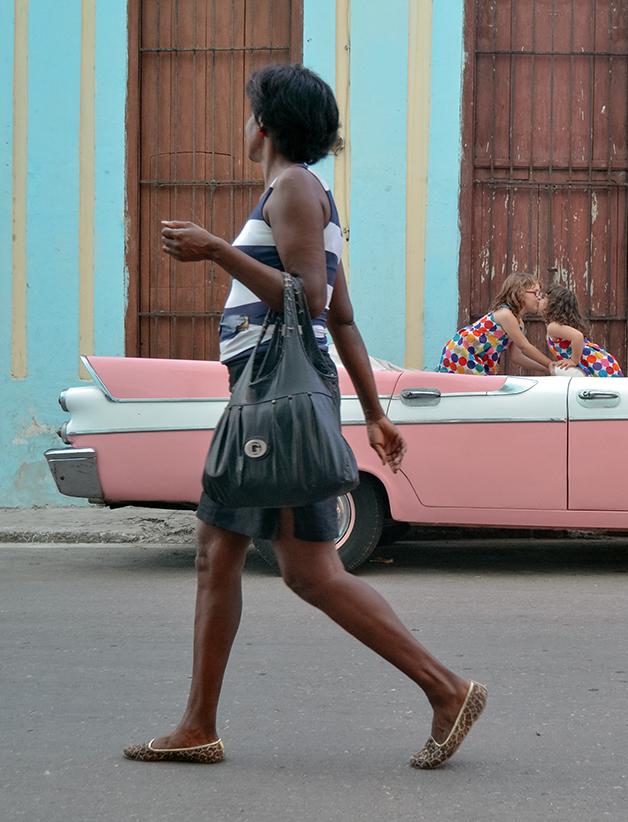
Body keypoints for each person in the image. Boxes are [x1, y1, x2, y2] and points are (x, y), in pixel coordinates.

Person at [124, 63, 484, 771]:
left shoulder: (291, 188)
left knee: (308, 573)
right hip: (274, 395)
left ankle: (446, 689)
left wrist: (216, 251)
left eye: (247, 106)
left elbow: (309, 300)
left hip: (272, 397)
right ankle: (198, 723)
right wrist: (374, 414)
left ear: (264, 122)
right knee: (220, 553)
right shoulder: (310, 194)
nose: (243, 118)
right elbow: (342, 318)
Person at [436, 273, 574, 375]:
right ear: (519, 293)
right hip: (464, 352)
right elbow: (524, 346)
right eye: (536, 292)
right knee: (477, 392)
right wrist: (549, 363)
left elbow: (517, 356)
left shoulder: (518, 323)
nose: (539, 297)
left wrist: (545, 369)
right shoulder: (505, 314)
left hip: (475, 355)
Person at [541, 283, 624, 377]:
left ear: (552, 305)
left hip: (596, 364)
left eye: (544, 298)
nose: (539, 299)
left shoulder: (553, 327)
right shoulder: (557, 324)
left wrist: (573, 361)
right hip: (600, 363)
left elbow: (577, 336)